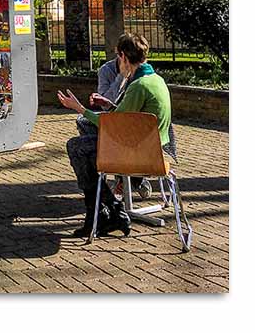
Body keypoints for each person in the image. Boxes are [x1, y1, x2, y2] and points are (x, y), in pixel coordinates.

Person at [58, 33, 172, 238]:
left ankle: (109, 209)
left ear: (123, 57)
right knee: (87, 152)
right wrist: (110, 105)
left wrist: (79, 108)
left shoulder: (138, 86)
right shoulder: (156, 80)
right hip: (155, 152)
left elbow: (111, 125)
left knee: (76, 146)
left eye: (119, 57)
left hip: (137, 155)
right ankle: (104, 213)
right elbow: (127, 116)